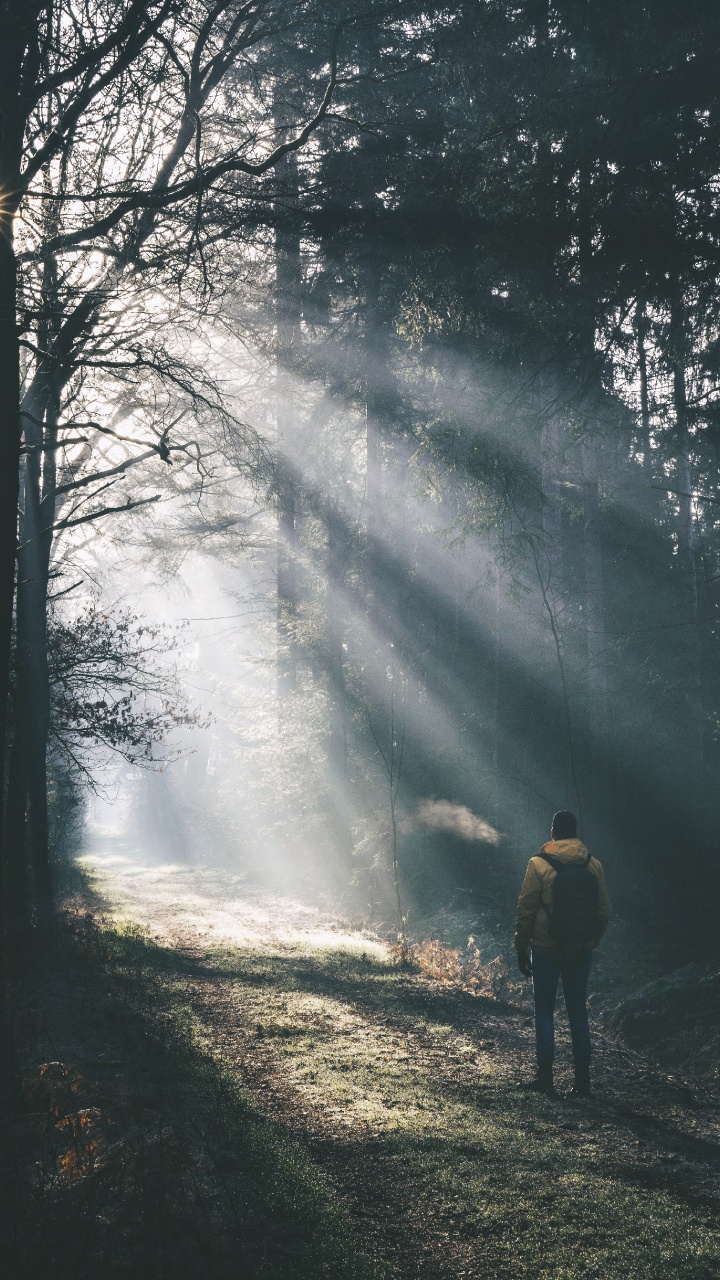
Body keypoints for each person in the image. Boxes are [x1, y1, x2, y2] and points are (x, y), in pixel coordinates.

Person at [514, 810, 611, 1097]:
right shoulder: (593, 864)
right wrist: (590, 942)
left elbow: (526, 909)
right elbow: (604, 912)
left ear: (553, 831)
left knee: (544, 1009)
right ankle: (582, 1083)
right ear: (576, 832)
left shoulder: (538, 864)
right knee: (577, 1010)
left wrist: (521, 947)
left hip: (545, 948)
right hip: (580, 949)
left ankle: (545, 1078)